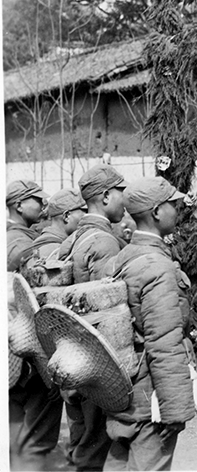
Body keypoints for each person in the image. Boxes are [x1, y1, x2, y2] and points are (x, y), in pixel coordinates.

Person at [105, 176, 197, 470]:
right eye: (172, 203)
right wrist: (174, 408)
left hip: (122, 390)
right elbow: (165, 341)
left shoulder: (122, 258)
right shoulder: (157, 266)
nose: (177, 209)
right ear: (157, 212)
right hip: (151, 401)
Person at [57, 164, 128, 471]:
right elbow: (107, 310)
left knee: (81, 442)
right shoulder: (104, 242)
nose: (124, 203)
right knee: (95, 449)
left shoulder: (73, 238)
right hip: (96, 364)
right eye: (121, 194)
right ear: (106, 195)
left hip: (71, 357)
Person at [6, 180, 64, 471]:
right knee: (39, 418)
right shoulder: (18, 241)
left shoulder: (21, 235)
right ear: (18, 205)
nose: (43, 205)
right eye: (36, 200)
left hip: (14, 346)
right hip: (23, 344)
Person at [32, 187, 87, 262]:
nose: (88, 217)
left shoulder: (52, 242)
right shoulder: (55, 249)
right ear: (66, 216)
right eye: (85, 212)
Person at [6, 180, 48, 272]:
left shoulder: (12, 234)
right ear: (19, 206)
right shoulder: (21, 242)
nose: (43, 204)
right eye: (38, 200)